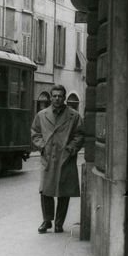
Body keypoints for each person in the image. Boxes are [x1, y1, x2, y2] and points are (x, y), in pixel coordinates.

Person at [30, 84, 84, 234]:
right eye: (54, 96)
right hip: (48, 157)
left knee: (63, 192)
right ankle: (47, 221)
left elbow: (79, 135)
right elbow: (35, 133)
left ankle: (59, 223)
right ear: (51, 97)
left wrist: (71, 149)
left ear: (64, 98)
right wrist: (42, 146)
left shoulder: (74, 116)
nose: (57, 98)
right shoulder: (41, 115)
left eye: (60, 96)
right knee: (45, 190)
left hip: (65, 158)